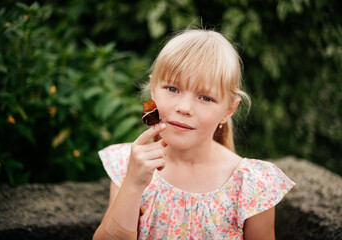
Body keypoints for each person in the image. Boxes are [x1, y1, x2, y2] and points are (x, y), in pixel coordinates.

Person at [93, 29, 295, 240]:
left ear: (228, 110)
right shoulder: (130, 164)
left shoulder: (252, 186)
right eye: (172, 89)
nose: (184, 107)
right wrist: (133, 184)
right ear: (153, 90)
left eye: (206, 98)